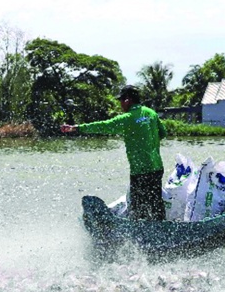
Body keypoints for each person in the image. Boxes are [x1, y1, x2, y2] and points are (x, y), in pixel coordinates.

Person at [60, 85, 167, 220]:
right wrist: (148, 144)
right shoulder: (151, 113)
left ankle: (138, 229)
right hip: (157, 167)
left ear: (127, 100)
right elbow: (163, 133)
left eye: (121, 100)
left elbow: (104, 126)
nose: (120, 104)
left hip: (140, 170)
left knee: (138, 207)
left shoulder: (127, 118)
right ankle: (161, 226)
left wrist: (76, 128)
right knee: (156, 203)